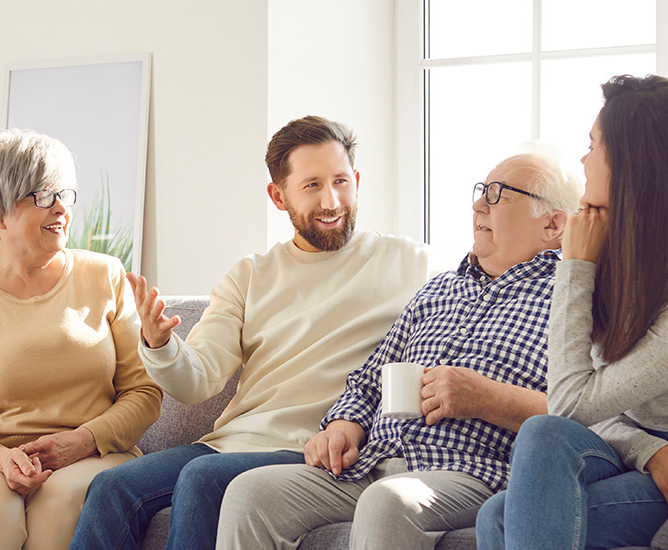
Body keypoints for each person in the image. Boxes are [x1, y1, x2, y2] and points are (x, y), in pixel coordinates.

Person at [68, 115, 430, 550]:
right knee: (111, 488)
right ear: (278, 196)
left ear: (356, 179)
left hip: (316, 447)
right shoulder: (249, 275)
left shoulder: (411, 264)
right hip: (231, 445)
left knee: (203, 480)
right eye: (312, 186)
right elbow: (197, 380)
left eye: (340, 181)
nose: (332, 200)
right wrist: (161, 343)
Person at [217, 152, 582, 550]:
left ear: (553, 223)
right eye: (481, 191)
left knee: (388, 502)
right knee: (250, 493)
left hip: (472, 470)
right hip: (375, 463)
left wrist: (486, 398)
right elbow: (368, 383)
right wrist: (341, 429)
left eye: (498, 195)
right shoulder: (439, 288)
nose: (478, 204)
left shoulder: (572, 298)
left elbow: (587, 412)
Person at [475, 74, 668, 550]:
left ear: (632, 166)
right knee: (539, 443)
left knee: (501, 516)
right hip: (642, 446)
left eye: (593, 146)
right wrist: (650, 451)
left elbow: (572, 402)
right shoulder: (622, 260)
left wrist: (575, 267)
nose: (583, 160)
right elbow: (571, 411)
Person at [0, 130, 163, 550]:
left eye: (64, 194)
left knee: (59, 498)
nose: (62, 209)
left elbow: (143, 394)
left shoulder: (104, 275)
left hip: (93, 456)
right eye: (42, 197)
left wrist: (81, 441)